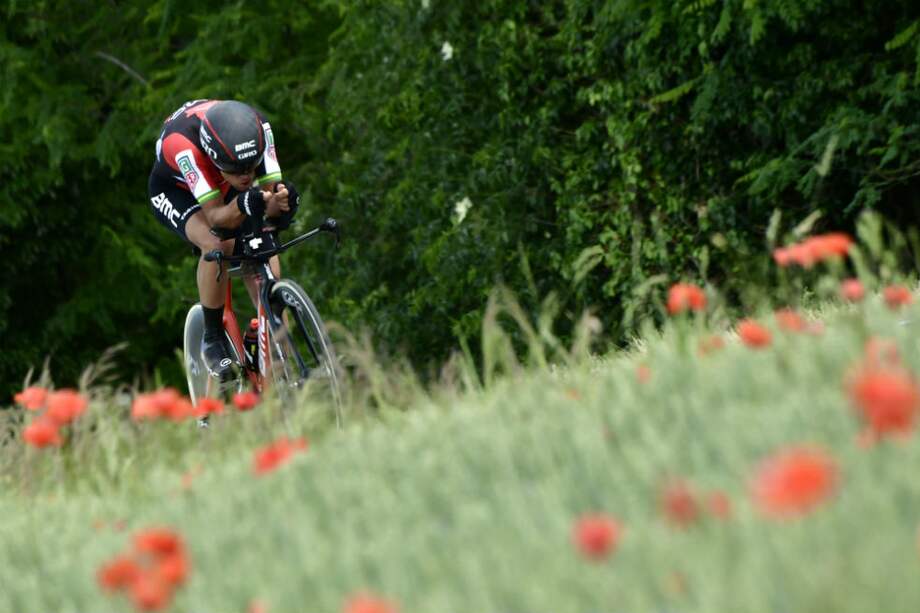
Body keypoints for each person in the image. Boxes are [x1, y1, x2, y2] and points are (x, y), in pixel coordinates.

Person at [147, 99, 300, 380]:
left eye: (250, 167)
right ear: (215, 157)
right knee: (217, 243)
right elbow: (218, 217)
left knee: (265, 254)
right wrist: (247, 204)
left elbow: (269, 192)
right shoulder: (183, 147)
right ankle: (212, 337)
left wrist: (281, 201)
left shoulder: (259, 127)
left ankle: (281, 361)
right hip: (176, 190)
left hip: (220, 182)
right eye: (236, 168)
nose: (245, 175)